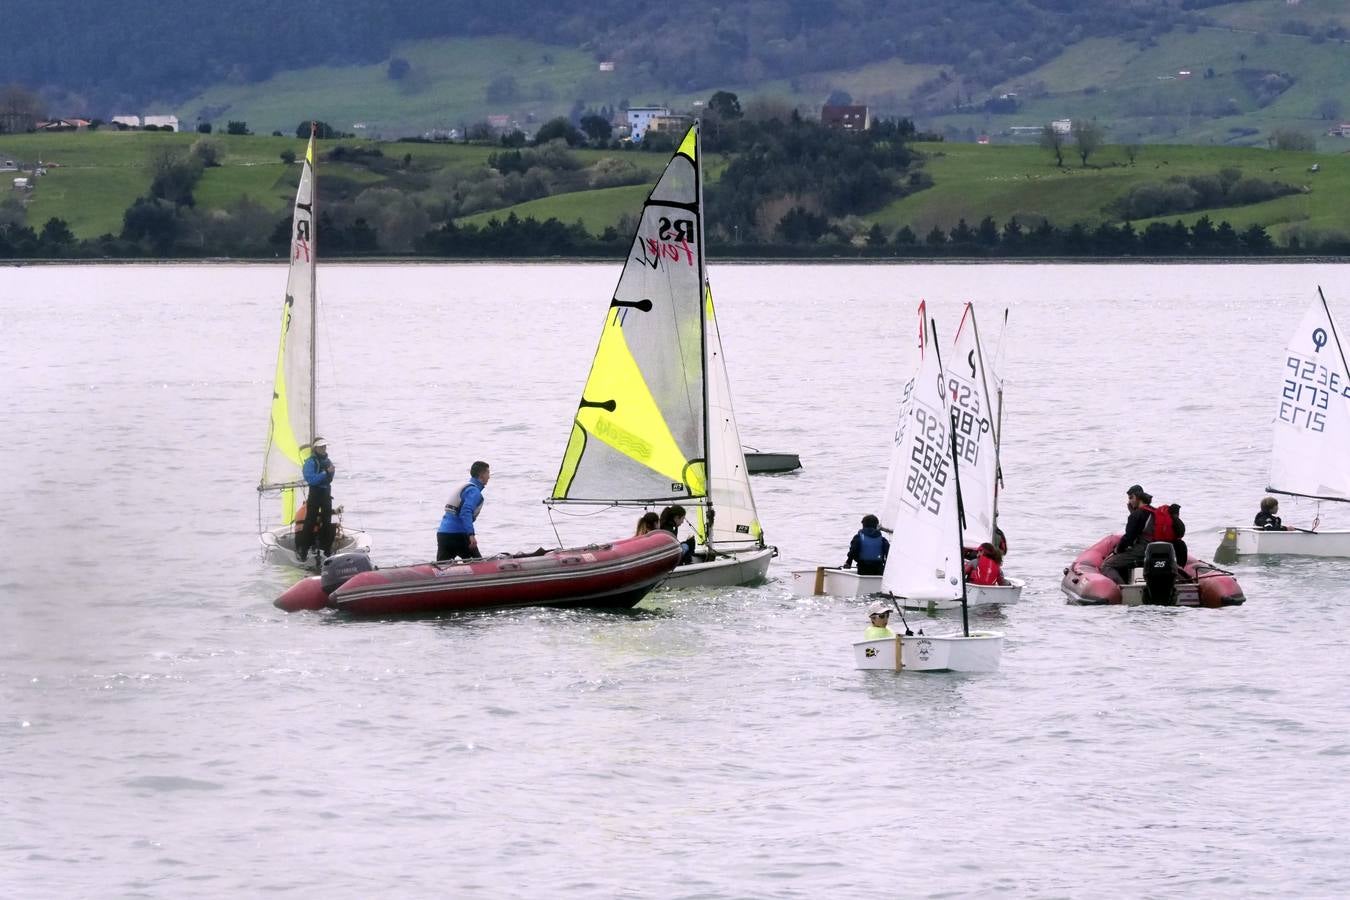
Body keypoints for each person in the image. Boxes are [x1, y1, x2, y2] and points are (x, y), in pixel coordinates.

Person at [437, 461, 490, 561]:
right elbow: (466, 512)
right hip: (459, 535)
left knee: (441, 570)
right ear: (481, 475)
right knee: (479, 565)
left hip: (443, 534)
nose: (489, 476)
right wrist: (471, 535)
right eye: (488, 473)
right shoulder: (474, 491)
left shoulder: (465, 486)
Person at [1103, 484, 1155, 585]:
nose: (1129, 501)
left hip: (1142, 551)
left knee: (1107, 565)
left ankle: (1122, 590)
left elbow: (1129, 538)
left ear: (1136, 497)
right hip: (1156, 550)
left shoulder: (1137, 515)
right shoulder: (1154, 511)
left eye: (1130, 498)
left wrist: (1117, 550)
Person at [296, 437, 335, 561]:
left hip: (325, 493)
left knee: (327, 521)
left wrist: (329, 473)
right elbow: (311, 479)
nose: (324, 449)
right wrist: (324, 473)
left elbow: (330, 478)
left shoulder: (328, 461)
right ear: (316, 448)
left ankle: (326, 549)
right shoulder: (310, 462)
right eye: (321, 447)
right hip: (315, 493)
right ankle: (304, 549)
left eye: (325, 447)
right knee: (310, 521)